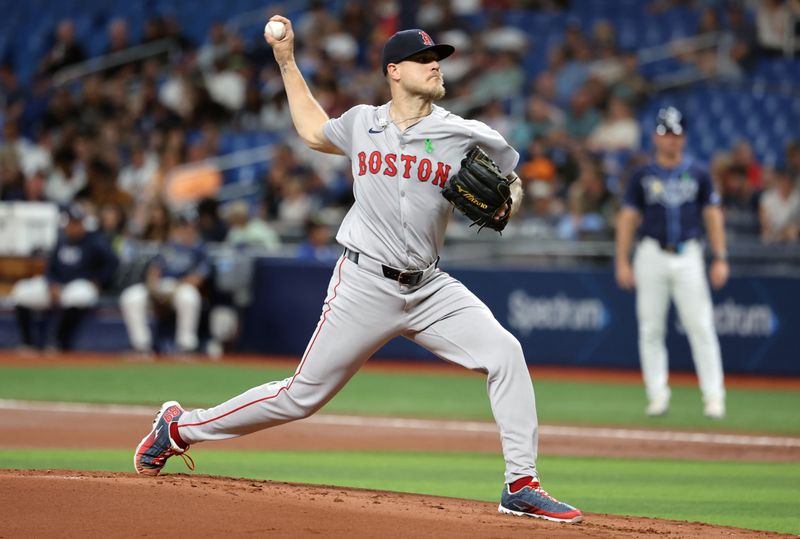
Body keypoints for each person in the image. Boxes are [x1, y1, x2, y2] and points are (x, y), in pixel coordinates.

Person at [133, 19, 582, 524]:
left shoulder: (465, 134)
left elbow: (511, 184)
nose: (436, 65)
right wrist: (286, 61)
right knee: (301, 397)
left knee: (505, 353)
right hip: (364, 282)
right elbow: (310, 130)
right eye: (423, 59)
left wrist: (508, 203)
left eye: (439, 58)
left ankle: (521, 483)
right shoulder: (361, 123)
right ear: (394, 71)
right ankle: (178, 428)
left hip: (430, 286)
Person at [615, 106, 729, 420]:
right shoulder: (642, 174)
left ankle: (714, 397)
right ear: (655, 136)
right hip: (651, 253)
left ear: (685, 137)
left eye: (677, 134)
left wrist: (720, 257)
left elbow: (713, 215)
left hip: (689, 253)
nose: (672, 140)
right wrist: (622, 260)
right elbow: (627, 218)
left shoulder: (700, 172)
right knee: (651, 327)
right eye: (666, 133)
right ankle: (657, 395)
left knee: (701, 326)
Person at [11, 204, 118, 351]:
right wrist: (51, 284)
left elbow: (112, 263)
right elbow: (50, 268)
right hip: (57, 286)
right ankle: (28, 343)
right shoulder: (61, 241)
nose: (75, 227)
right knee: (21, 292)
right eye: (72, 223)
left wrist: (100, 281)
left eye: (78, 223)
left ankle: (59, 343)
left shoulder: (95, 241)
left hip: (80, 285)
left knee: (77, 296)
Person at [120, 213, 210, 355]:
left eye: (189, 227)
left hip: (180, 288)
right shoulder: (168, 246)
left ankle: (186, 346)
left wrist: (175, 289)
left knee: (189, 297)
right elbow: (154, 270)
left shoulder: (199, 249)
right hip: (160, 287)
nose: (186, 230)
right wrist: (153, 289)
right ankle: (141, 346)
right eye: (182, 226)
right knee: (131, 297)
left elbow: (198, 278)